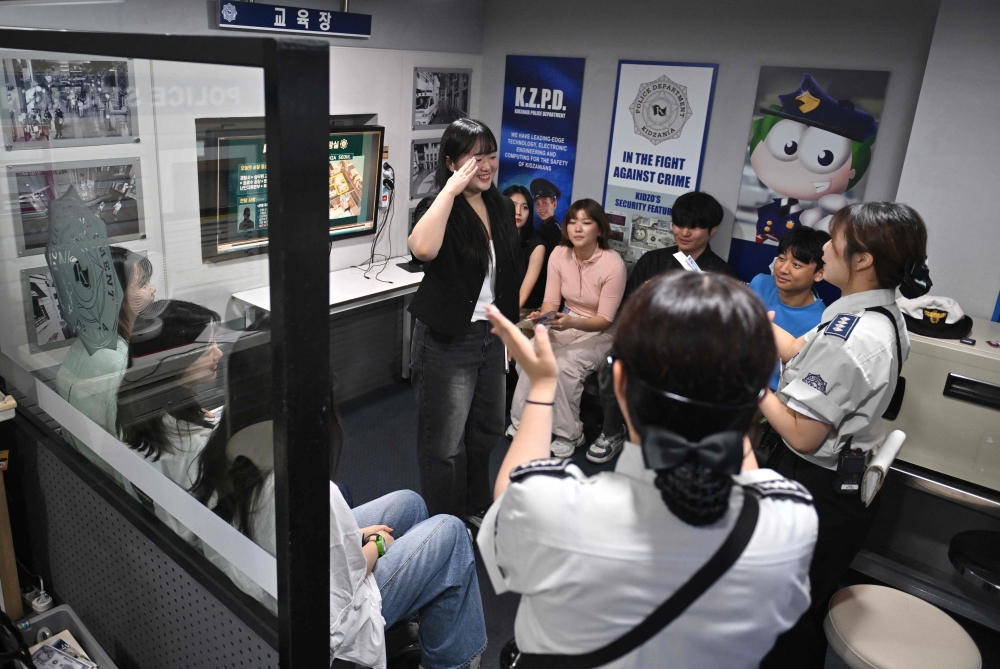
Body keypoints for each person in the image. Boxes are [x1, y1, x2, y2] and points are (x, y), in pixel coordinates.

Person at [478, 273, 818, 669]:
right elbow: (749, 472)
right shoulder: (791, 519)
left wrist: (541, 387)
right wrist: (739, 368)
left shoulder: (557, 508)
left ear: (618, 383)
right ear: (757, 391)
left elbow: (512, 494)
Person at [193, 338, 487, 669]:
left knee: (409, 504)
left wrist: (353, 535)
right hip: (324, 627)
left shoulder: (219, 451)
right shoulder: (304, 489)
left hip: (271, 590)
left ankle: (404, 633)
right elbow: (340, 589)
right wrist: (376, 543)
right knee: (451, 533)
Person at [759, 202, 932, 669]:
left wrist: (750, 385)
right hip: (841, 486)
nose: (826, 248)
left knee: (780, 616)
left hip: (811, 486)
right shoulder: (878, 315)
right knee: (801, 605)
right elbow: (800, 351)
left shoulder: (851, 337)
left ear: (863, 260)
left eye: (834, 241)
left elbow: (802, 435)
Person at [406, 118, 523, 525]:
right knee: (444, 443)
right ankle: (444, 524)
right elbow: (421, 249)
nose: (487, 165)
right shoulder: (438, 207)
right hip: (448, 340)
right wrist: (451, 190)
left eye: (491, 155)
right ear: (453, 162)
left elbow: (508, 275)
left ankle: (474, 506)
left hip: (491, 337)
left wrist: (508, 334)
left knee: (487, 430)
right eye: (476, 158)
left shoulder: (502, 206)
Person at [586, 191, 737, 464]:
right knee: (614, 363)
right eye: (679, 224)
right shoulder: (653, 261)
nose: (684, 232)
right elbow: (627, 313)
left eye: (694, 226)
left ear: (712, 230)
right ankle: (611, 431)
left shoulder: (722, 275)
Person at [507, 199, 626, 457]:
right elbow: (551, 300)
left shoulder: (613, 263)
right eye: (572, 222)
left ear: (601, 229)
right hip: (567, 319)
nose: (578, 228)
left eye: (586, 222)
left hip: (602, 331)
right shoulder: (559, 254)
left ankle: (570, 433)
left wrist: (570, 321)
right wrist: (545, 316)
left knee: (563, 365)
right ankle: (525, 422)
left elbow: (605, 319)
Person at [55, 247, 156, 484]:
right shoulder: (117, 362)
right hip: (116, 488)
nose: (152, 290)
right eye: (142, 284)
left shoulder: (88, 342)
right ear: (114, 296)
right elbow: (136, 447)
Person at [748, 227, 830, 391]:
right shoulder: (760, 283)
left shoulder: (821, 320)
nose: (784, 269)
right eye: (781, 258)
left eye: (796, 265)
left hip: (772, 397)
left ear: (819, 273)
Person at [502, 184, 547, 311]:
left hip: (522, 310)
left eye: (525, 207)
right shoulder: (492, 236)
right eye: (513, 205)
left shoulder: (537, 246)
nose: (518, 212)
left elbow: (522, 296)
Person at [530, 178, 562, 249]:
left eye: (544, 203)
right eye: (537, 204)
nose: (540, 208)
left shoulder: (556, 232)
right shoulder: (542, 226)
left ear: (554, 204)